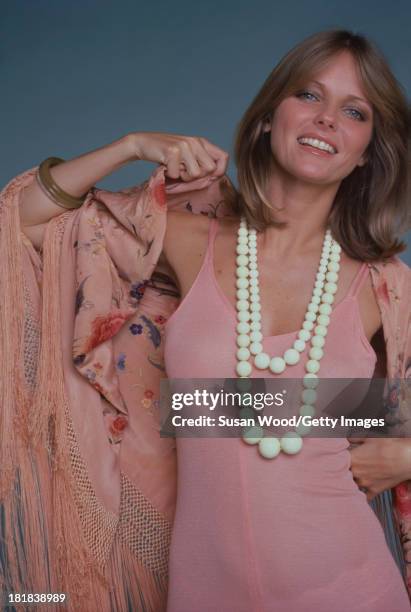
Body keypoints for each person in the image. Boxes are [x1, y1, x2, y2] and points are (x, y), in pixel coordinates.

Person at [0, 28, 410, 611]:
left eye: (353, 111)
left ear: (367, 148)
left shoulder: (386, 287)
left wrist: (406, 452)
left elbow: (285, 409)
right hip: (202, 593)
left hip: (352, 591)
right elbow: (22, 221)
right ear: (270, 116)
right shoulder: (186, 239)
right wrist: (131, 145)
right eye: (308, 96)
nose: (325, 121)